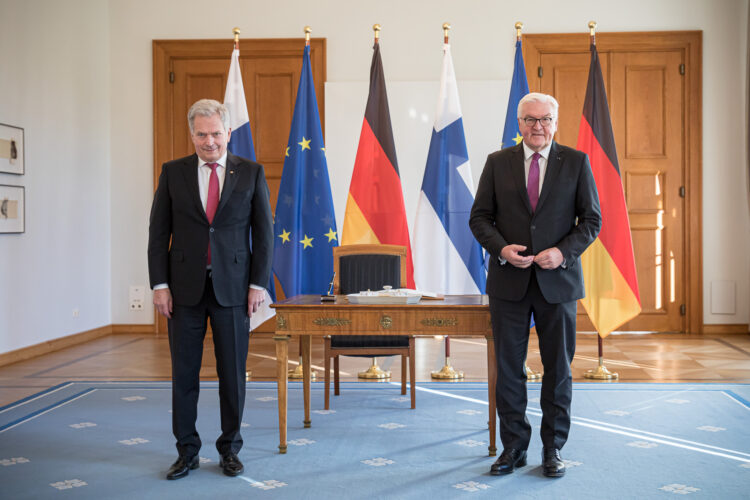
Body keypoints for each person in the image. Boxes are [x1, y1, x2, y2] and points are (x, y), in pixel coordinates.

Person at [469, 92, 601, 478]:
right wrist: (501, 249)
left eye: (544, 120)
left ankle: (553, 448)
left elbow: (591, 221)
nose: (538, 127)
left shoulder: (576, 162)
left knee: (558, 369)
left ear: (555, 122)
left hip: (557, 283)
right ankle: (513, 447)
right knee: (509, 369)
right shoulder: (498, 163)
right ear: (519, 123)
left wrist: (563, 253)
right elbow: (479, 218)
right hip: (508, 282)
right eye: (530, 120)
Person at [148, 99, 273, 480]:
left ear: (228, 133)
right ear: (192, 134)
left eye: (216, 133)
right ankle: (186, 451)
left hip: (234, 290)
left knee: (232, 374)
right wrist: (159, 285)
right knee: (184, 375)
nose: (209, 141)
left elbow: (264, 234)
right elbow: (158, 234)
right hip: (183, 291)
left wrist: (257, 284)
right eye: (201, 134)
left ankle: (230, 449)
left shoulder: (250, 173)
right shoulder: (173, 173)